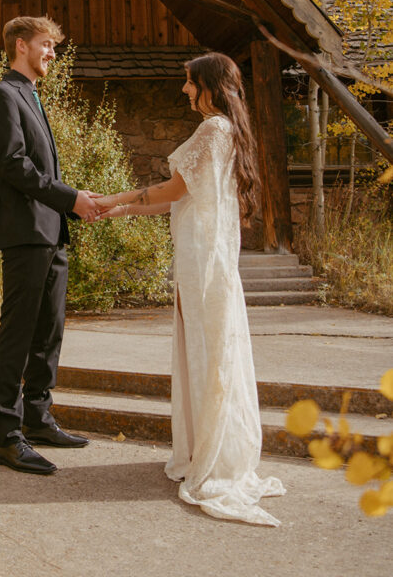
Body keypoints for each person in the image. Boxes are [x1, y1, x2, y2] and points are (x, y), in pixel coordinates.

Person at [95, 52, 286, 525]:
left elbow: (173, 190)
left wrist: (114, 196)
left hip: (204, 261)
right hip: (204, 255)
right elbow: (179, 198)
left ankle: (215, 457)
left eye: (189, 82)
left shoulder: (214, 130)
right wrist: (119, 211)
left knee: (207, 349)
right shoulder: (228, 131)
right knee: (203, 348)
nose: (184, 90)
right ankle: (209, 446)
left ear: (210, 85)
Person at [0, 15, 98, 475]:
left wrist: (70, 205)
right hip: (25, 234)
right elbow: (13, 166)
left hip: (52, 232)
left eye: (54, 47)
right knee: (18, 334)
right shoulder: (1, 96)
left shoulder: (31, 96)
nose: (52, 53)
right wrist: (71, 198)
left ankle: (38, 418)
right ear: (22, 45)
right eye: (47, 45)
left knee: (49, 331)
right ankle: (7, 436)